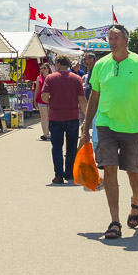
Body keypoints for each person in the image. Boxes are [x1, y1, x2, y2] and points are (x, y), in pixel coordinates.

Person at [82, 24, 138, 239]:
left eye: (117, 38)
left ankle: (135, 201)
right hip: (106, 124)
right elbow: (94, 98)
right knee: (109, 168)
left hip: (132, 126)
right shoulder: (100, 65)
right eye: (110, 38)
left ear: (126, 40)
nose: (113, 42)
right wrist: (85, 127)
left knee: (134, 171)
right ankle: (114, 221)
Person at [40, 54, 85, 184]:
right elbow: (81, 99)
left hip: (56, 117)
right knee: (71, 147)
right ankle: (70, 173)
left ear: (58, 64)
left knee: (57, 147)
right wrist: (86, 116)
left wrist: (52, 100)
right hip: (72, 116)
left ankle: (58, 174)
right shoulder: (76, 79)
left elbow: (44, 97)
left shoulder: (51, 78)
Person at [35, 60, 53, 141]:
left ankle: (49, 132)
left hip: (51, 98)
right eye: (41, 68)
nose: (42, 69)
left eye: (44, 68)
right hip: (40, 98)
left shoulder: (52, 77)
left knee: (50, 117)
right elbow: (37, 89)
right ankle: (45, 134)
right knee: (43, 117)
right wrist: (34, 100)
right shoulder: (39, 77)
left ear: (48, 69)